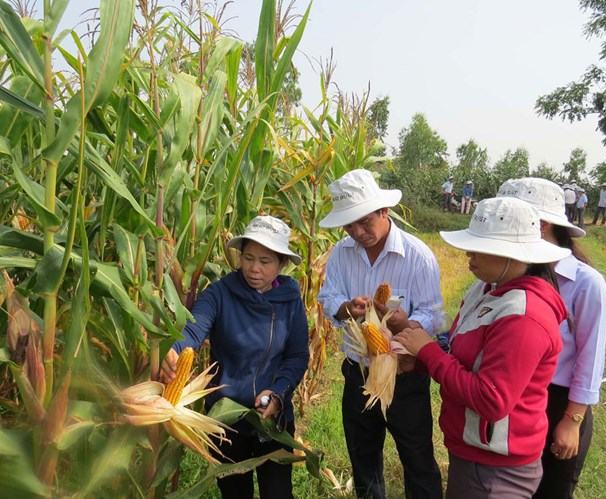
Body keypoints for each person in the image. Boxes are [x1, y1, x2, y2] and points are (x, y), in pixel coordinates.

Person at [394, 196, 570, 499]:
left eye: (479, 248)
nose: (468, 255)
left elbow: (492, 400)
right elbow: (464, 354)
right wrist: (420, 359)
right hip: (474, 453)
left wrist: (428, 352)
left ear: (512, 255)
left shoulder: (525, 317)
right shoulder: (487, 289)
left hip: (496, 469)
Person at [160, 215, 309, 499]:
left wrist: (278, 394)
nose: (254, 268)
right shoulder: (219, 294)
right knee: (234, 492)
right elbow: (193, 329)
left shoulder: (290, 298)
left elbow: (297, 356)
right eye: (248, 257)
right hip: (226, 417)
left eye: (265, 262)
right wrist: (174, 349)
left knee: (278, 493)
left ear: (282, 264)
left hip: (272, 418)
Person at [318, 168, 444, 499]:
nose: (358, 232)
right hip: (358, 372)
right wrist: (348, 308)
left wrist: (404, 327)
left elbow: (432, 312)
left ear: (384, 211)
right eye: (349, 225)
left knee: (417, 458)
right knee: (363, 459)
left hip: (404, 375)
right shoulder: (341, 255)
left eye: (364, 222)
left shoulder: (418, 257)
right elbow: (328, 298)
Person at [497, 177, 606, 499]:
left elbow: (590, 357)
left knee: (552, 489)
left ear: (542, 225)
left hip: (559, 401)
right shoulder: (508, 276)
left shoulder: (586, 284)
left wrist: (572, 420)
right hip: (516, 399)